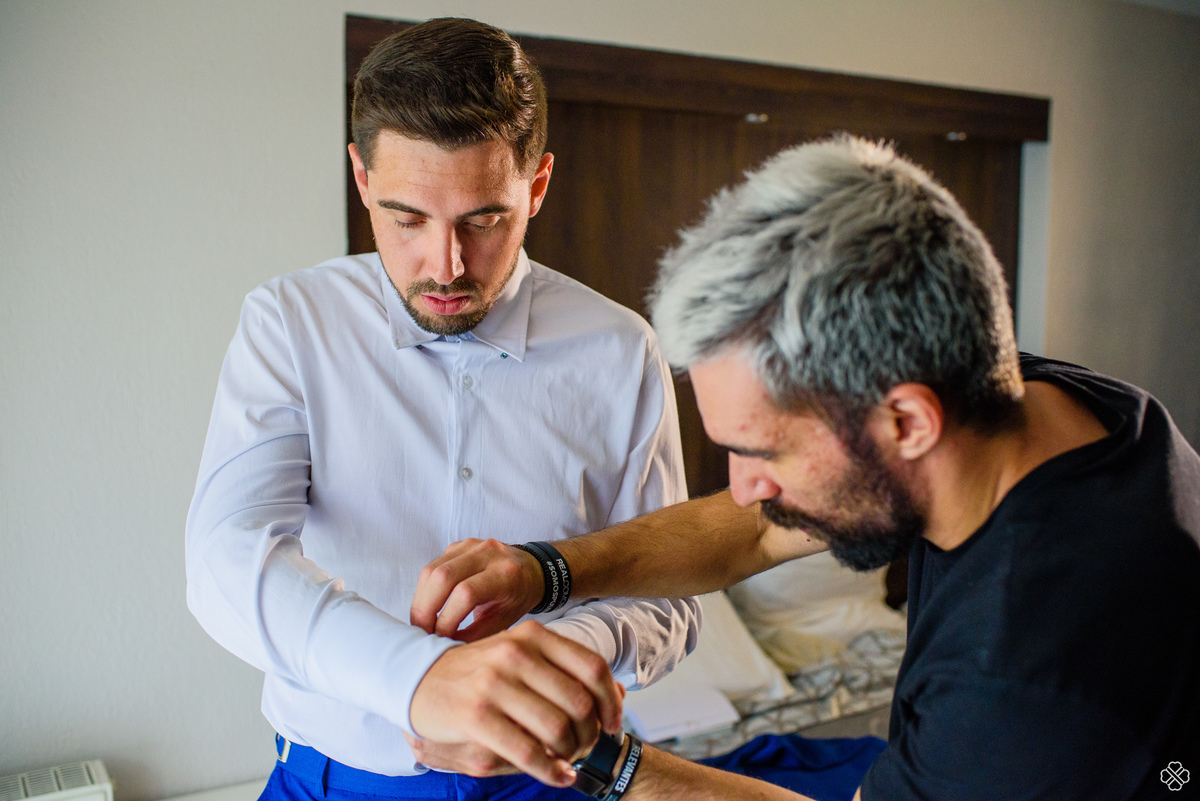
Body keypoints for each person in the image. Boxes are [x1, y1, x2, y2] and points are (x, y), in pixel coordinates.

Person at [410, 135, 1200, 800]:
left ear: (907, 420)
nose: (745, 484)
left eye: (764, 450)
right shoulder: (1035, 399)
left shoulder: (1019, 681)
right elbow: (755, 532)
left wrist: (591, 757)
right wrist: (544, 570)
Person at [185, 17, 701, 801]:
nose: (446, 265)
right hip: (331, 780)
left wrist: (558, 659)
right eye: (407, 219)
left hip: (549, 781)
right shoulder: (289, 322)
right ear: (362, 180)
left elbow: (669, 590)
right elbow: (227, 554)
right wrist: (428, 679)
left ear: (537, 185)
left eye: (483, 219)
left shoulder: (622, 351)